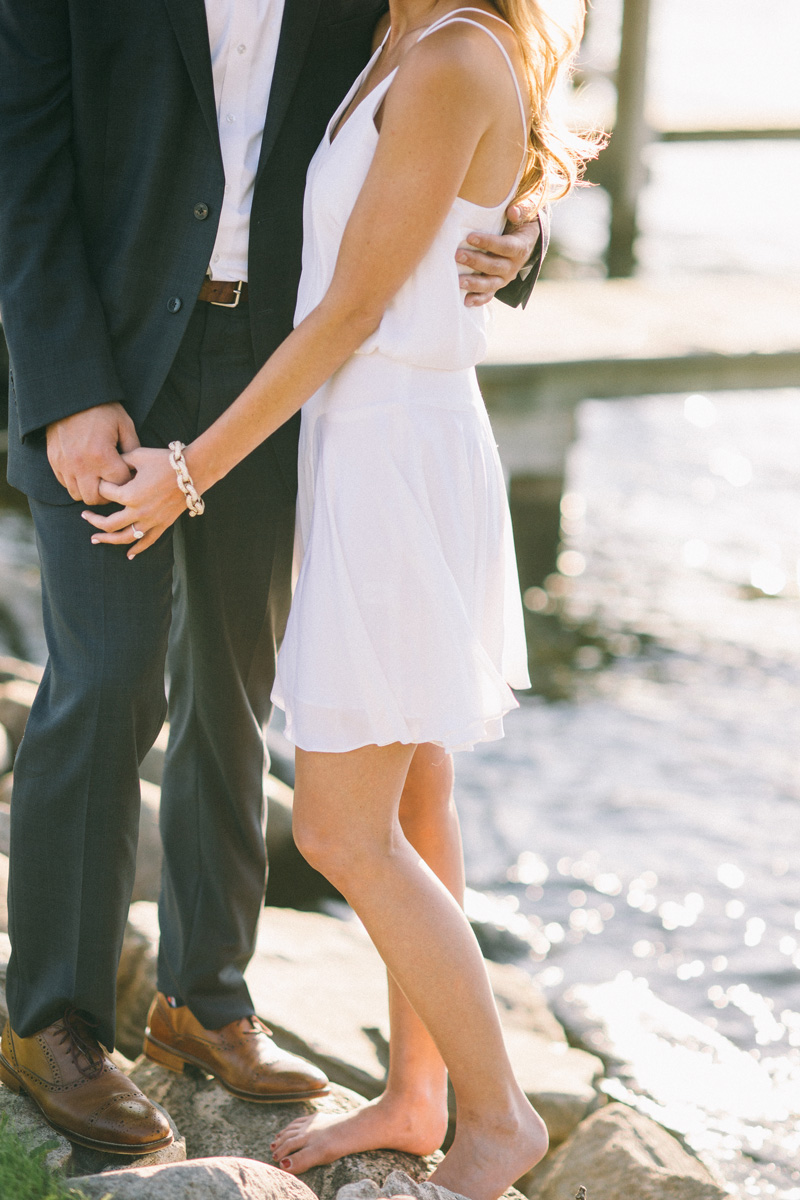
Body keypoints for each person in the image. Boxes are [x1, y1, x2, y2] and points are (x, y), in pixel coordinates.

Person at [0, 0, 543, 1157]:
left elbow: (446, 122)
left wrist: (515, 227)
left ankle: (206, 999)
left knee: (237, 686)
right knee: (104, 678)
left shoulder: (376, 6)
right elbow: (20, 168)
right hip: (104, 364)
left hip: (285, 381)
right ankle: (53, 1018)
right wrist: (63, 387)